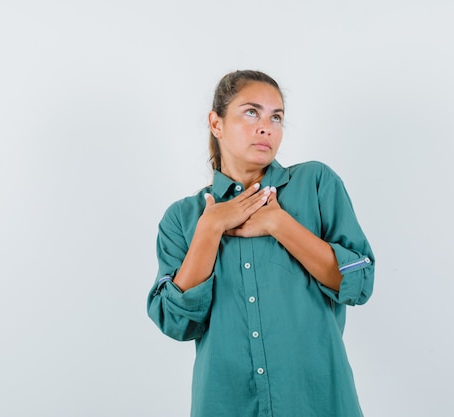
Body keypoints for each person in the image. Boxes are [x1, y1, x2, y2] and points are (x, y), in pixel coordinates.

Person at [147, 70, 375, 417]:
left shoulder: (315, 183)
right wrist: (209, 230)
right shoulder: (183, 218)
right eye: (251, 112)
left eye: (276, 117)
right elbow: (177, 323)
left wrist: (280, 224)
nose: (266, 126)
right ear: (216, 123)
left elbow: (359, 285)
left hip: (316, 402)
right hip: (226, 404)